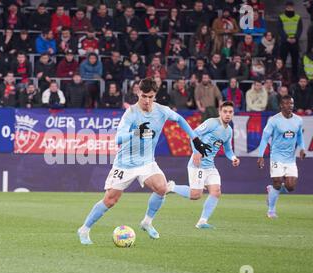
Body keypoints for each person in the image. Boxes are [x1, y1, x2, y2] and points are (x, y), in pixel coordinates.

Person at [77, 77, 212, 245]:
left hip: (147, 162)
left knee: (161, 188)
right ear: (138, 93)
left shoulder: (161, 110)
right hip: (125, 164)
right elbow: (118, 139)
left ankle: (147, 222)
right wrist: (136, 132)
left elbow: (179, 119)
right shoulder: (131, 113)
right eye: (144, 96)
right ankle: (84, 229)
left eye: (151, 97)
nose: (147, 100)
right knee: (110, 200)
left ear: (155, 95)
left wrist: (196, 140)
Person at [169, 101, 240, 228]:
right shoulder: (212, 123)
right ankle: (171, 187)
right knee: (196, 195)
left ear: (233, 113)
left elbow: (228, 150)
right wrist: (196, 152)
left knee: (216, 192)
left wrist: (233, 158)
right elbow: (193, 134)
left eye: (230, 112)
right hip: (198, 164)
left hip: (210, 166)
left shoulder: (229, 131)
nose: (228, 114)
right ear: (220, 112)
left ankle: (202, 221)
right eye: (225, 112)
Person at [257, 95, 306, 219]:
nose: (289, 106)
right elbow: (265, 138)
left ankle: (271, 190)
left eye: (291, 104)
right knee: (277, 182)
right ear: (281, 105)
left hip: (290, 158)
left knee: (291, 187)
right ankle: (271, 210)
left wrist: (302, 148)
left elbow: (299, 136)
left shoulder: (298, 120)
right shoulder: (274, 120)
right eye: (286, 104)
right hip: (276, 156)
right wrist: (260, 155)